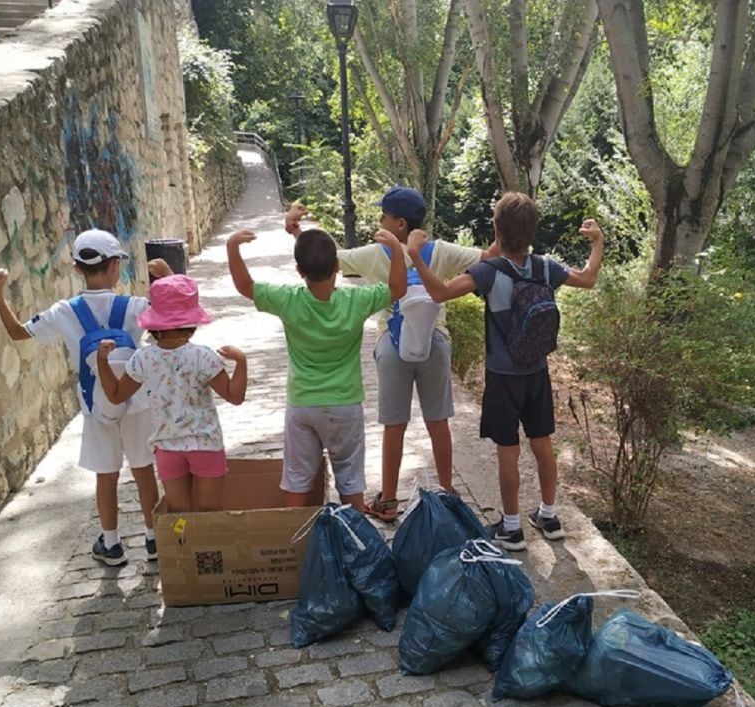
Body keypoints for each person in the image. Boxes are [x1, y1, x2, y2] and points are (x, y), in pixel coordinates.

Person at [408, 192, 605, 551]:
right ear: (533, 231)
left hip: (503, 377)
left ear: (496, 229)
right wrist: (597, 242)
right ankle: (549, 515)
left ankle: (512, 528)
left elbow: (439, 293)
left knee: (508, 450)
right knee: (543, 443)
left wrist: (415, 257)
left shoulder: (488, 272)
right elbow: (589, 278)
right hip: (537, 373)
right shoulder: (547, 268)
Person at [286, 187, 491, 521]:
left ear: (398, 223)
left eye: (383, 215)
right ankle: (447, 494)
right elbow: (489, 256)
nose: (378, 220)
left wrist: (298, 232)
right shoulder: (441, 251)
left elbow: (324, 258)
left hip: (392, 345)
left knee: (394, 424)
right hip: (435, 343)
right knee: (438, 421)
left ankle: (389, 500)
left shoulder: (375, 254)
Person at [0, 229, 170, 566]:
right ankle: (154, 539)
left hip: (96, 405)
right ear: (116, 265)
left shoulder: (63, 312)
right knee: (144, 470)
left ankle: (112, 544)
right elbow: (176, 315)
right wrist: (169, 277)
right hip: (137, 402)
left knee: (106, 474)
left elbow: (18, 332)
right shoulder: (134, 306)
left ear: (77, 269)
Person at [225, 225, 407, 511]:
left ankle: (292, 549)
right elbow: (398, 288)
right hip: (344, 403)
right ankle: (354, 547)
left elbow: (245, 286)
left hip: (302, 404)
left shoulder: (288, 300)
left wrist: (232, 248)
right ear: (337, 266)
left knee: (297, 484)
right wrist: (396, 249)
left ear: (299, 270)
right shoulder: (356, 301)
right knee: (350, 484)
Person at [95, 274, 248, 512]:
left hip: (167, 448)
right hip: (205, 445)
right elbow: (235, 396)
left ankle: (184, 550)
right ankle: (209, 550)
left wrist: (102, 360)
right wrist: (241, 362)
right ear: (191, 323)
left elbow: (115, 395)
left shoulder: (143, 358)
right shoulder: (203, 356)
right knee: (210, 513)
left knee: (180, 516)